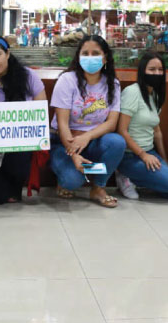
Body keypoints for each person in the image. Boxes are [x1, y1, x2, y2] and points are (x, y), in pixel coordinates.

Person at [49, 35, 125, 208]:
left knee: (117, 142)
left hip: (92, 141)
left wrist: (87, 137)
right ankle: (65, 176)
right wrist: (74, 154)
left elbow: (111, 123)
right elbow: (62, 125)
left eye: (96, 53)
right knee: (72, 181)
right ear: (78, 57)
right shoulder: (67, 80)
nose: (90, 57)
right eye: (85, 53)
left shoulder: (113, 84)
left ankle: (98, 188)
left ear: (105, 57)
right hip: (63, 142)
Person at [0, 34, 47, 204]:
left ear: (7, 54)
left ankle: (12, 182)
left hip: (21, 141)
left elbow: (41, 112)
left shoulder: (28, 76)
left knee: (17, 170)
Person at [114, 52, 168, 200]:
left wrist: (165, 159)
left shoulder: (155, 96)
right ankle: (125, 176)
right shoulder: (132, 92)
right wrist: (143, 155)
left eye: (160, 70)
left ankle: (140, 178)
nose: (156, 73)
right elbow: (122, 130)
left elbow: (157, 131)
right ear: (142, 70)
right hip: (130, 155)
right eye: (152, 69)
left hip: (150, 151)